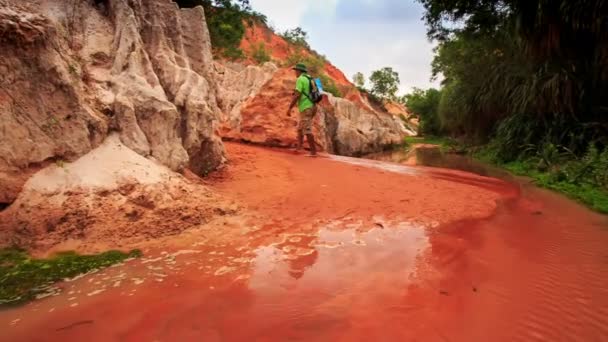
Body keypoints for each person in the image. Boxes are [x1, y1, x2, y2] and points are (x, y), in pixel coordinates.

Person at [286, 63, 317, 156]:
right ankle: (299, 148)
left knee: (307, 129)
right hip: (312, 106)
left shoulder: (300, 79)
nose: (295, 72)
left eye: (296, 70)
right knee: (300, 128)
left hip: (306, 107)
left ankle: (313, 152)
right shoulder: (311, 79)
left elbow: (297, 95)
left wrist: (290, 108)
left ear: (299, 71)